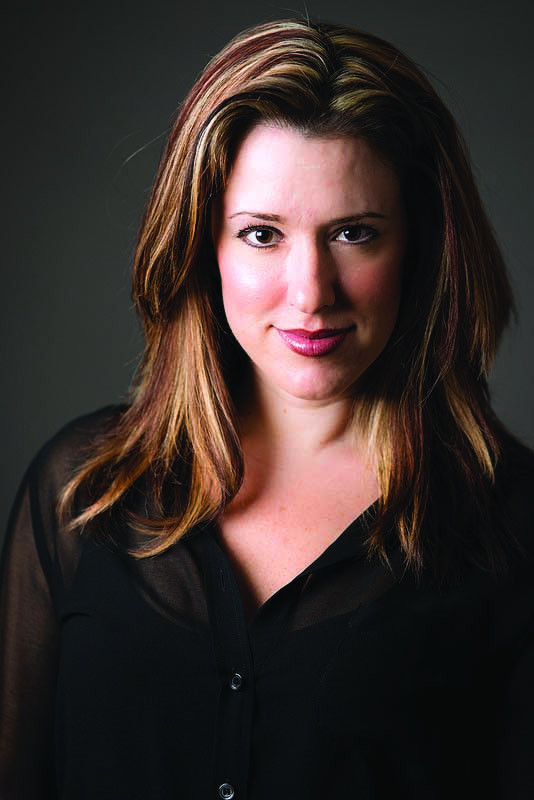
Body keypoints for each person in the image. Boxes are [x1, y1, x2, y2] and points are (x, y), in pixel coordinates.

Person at [1, 17, 533, 800]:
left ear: (420, 246)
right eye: (261, 235)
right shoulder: (79, 493)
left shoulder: (513, 527)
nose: (310, 293)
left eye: (354, 233)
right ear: (201, 246)